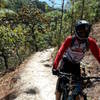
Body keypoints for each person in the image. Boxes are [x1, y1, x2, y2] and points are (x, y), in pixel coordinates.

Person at [52, 20, 100, 100]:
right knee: (60, 84)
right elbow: (60, 52)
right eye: (81, 31)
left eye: (85, 31)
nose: (83, 33)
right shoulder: (70, 40)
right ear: (77, 31)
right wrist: (55, 67)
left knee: (77, 90)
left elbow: (98, 55)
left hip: (76, 65)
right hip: (66, 63)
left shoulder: (90, 42)